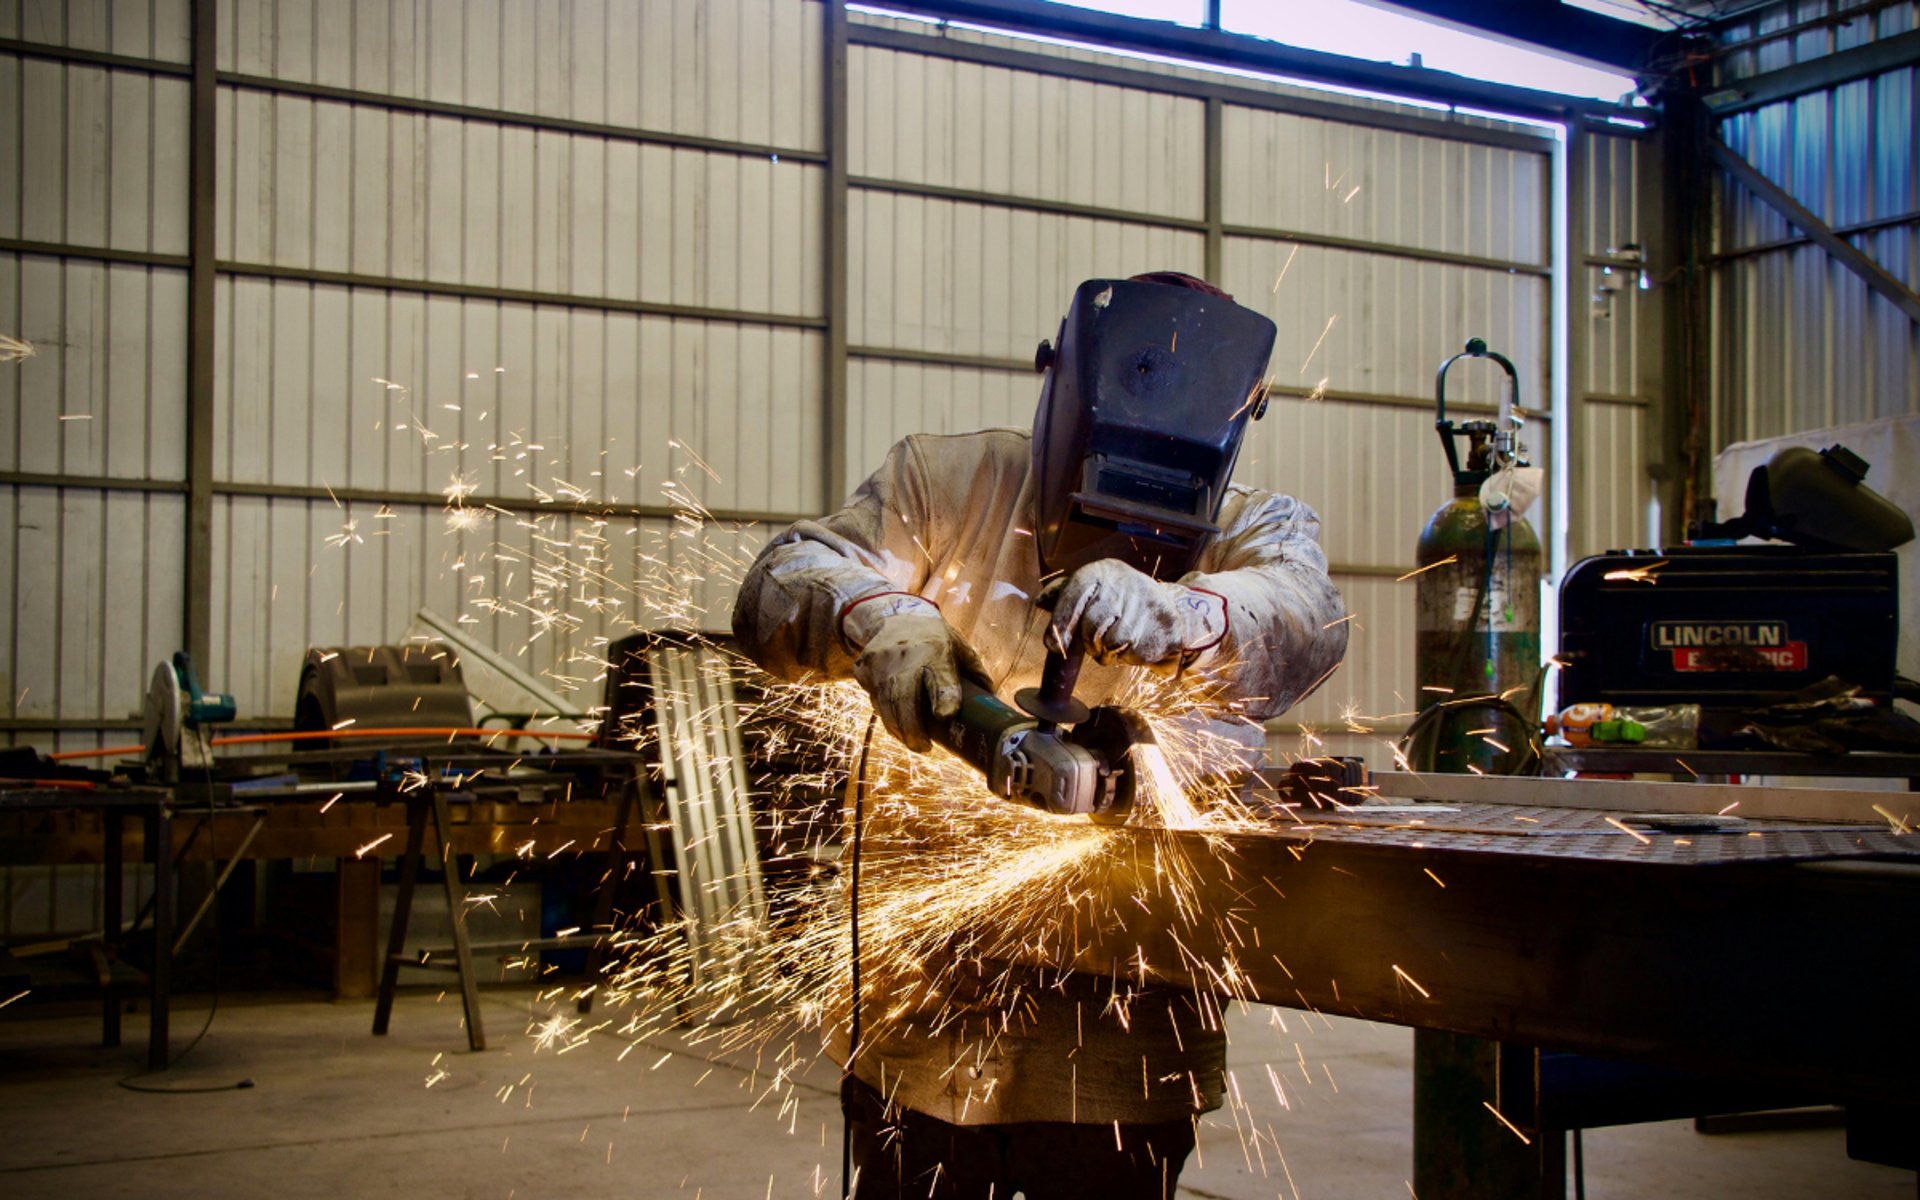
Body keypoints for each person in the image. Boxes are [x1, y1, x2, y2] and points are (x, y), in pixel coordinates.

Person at [732, 272, 1349, 1199]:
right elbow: (780, 582)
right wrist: (877, 616)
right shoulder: (944, 486)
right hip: (926, 1014)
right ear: (1059, 386)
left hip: (1122, 1044)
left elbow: (1306, 617)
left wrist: (1186, 614)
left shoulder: (1252, 531)